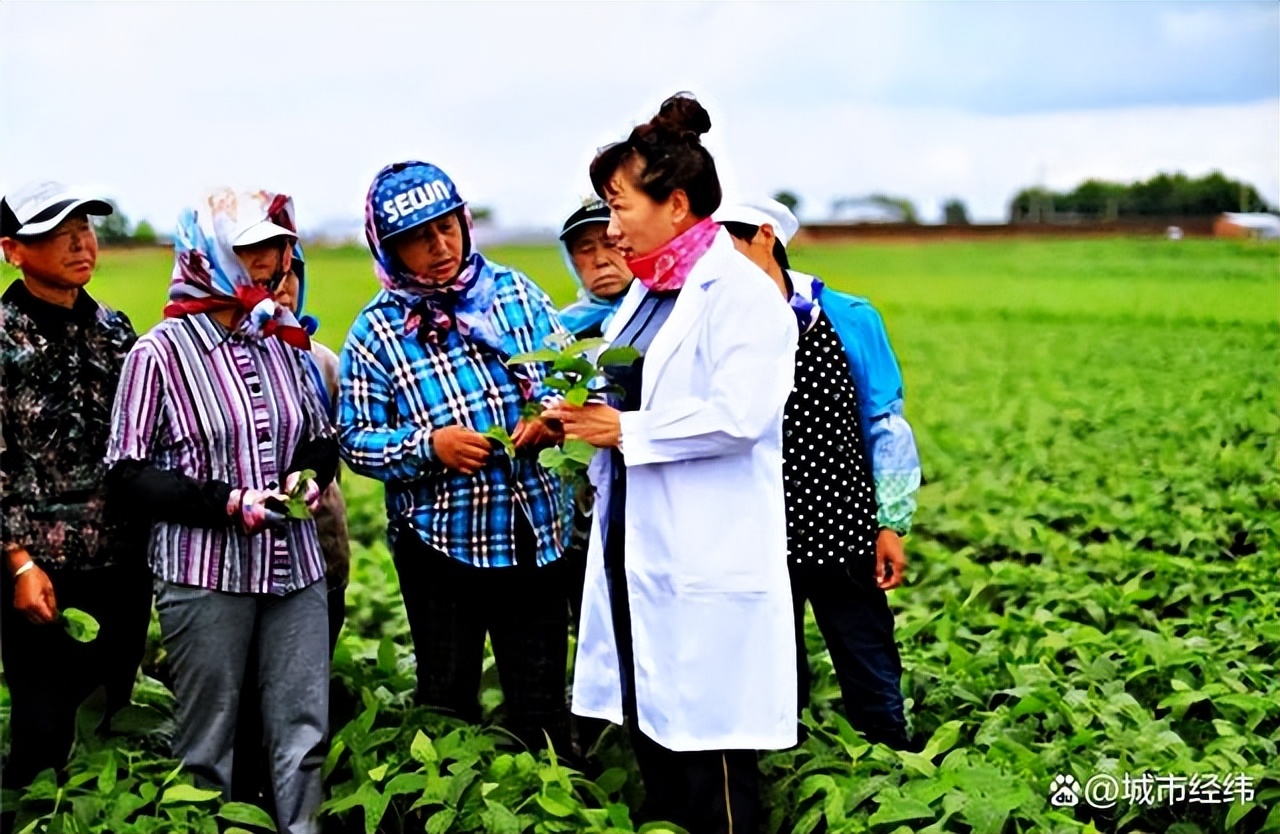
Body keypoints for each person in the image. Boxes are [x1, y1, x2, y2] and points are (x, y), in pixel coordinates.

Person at [547, 93, 798, 834]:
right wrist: (582, 419)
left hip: (704, 559)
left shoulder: (742, 296)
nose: (611, 226)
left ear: (677, 204)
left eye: (619, 207)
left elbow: (738, 414)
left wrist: (624, 430)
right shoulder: (648, 297)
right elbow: (625, 396)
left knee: (713, 772)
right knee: (656, 746)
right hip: (638, 550)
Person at [104, 189, 337, 834]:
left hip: (296, 571)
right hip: (206, 574)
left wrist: (308, 479)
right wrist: (228, 503)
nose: (269, 261)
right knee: (209, 744)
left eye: (275, 246)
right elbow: (128, 474)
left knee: (303, 731)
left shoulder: (284, 341)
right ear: (207, 254)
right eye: (250, 248)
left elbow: (318, 441)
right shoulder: (160, 353)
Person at [337, 161, 572, 753]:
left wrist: (550, 416)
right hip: (441, 545)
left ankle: (549, 799)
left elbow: (573, 378)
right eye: (417, 238)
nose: (438, 247)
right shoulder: (377, 331)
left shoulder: (517, 294)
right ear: (390, 250)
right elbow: (355, 438)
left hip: (534, 532)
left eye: (446, 227)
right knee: (446, 703)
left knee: (541, 701)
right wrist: (428, 447)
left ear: (465, 223)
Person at [715, 198, 921, 750]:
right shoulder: (719, 325)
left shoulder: (850, 317)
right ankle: (790, 765)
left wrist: (891, 521)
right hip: (760, 531)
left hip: (844, 525)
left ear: (763, 236)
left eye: (726, 247)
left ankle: (891, 762)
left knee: (866, 654)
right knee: (774, 667)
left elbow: (885, 425)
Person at [0, 182, 151, 790]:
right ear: (13, 250)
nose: (78, 242)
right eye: (57, 233)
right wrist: (17, 564)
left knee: (113, 721)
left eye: (84, 228)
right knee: (43, 733)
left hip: (123, 567)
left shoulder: (117, 332)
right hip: (38, 574)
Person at [558, 197, 635, 339]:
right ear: (572, 261)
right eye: (586, 249)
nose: (600, 260)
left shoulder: (665, 312)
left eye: (612, 243)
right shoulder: (561, 331)